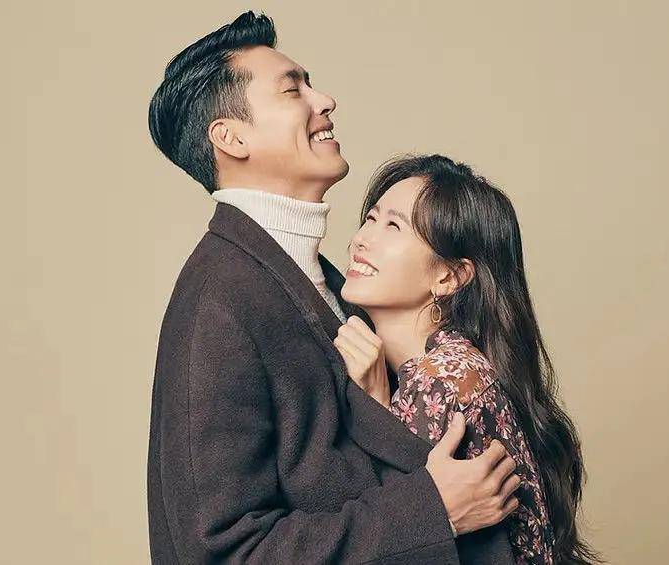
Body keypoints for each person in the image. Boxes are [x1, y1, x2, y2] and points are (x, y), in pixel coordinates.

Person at [146, 12, 520, 564]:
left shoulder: (329, 282)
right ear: (231, 138)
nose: (325, 101)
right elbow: (222, 552)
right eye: (293, 89)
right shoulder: (219, 303)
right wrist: (431, 510)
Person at [334, 154, 603, 564]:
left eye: (393, 226)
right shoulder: (452, 365)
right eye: (371, 219)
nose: (361, 240)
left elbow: (408, 543)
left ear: (449, 276)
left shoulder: (440, 380)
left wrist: (376, 408)